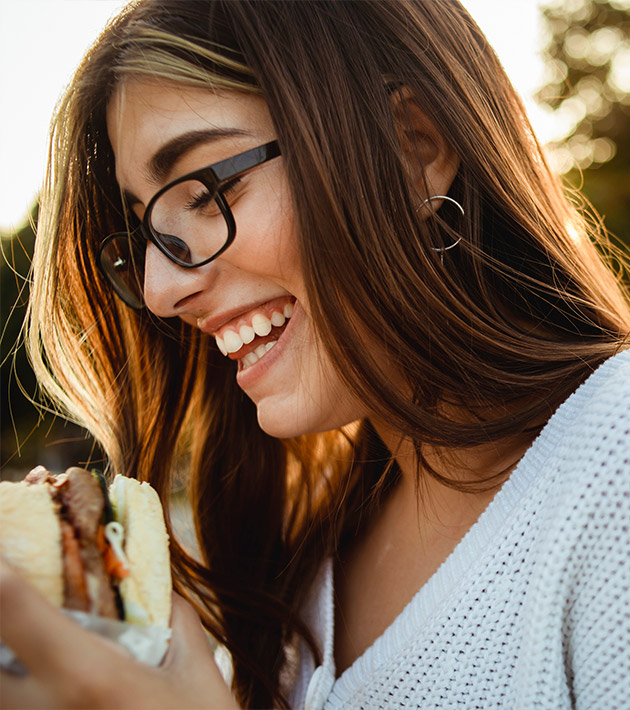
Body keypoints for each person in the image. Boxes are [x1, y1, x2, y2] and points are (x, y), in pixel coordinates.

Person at [1, 0, 629, 707]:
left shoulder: (614, 464)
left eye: (207, 191)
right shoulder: (305, 566)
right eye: (143, 229)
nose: (158, 289)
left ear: (412, 147)